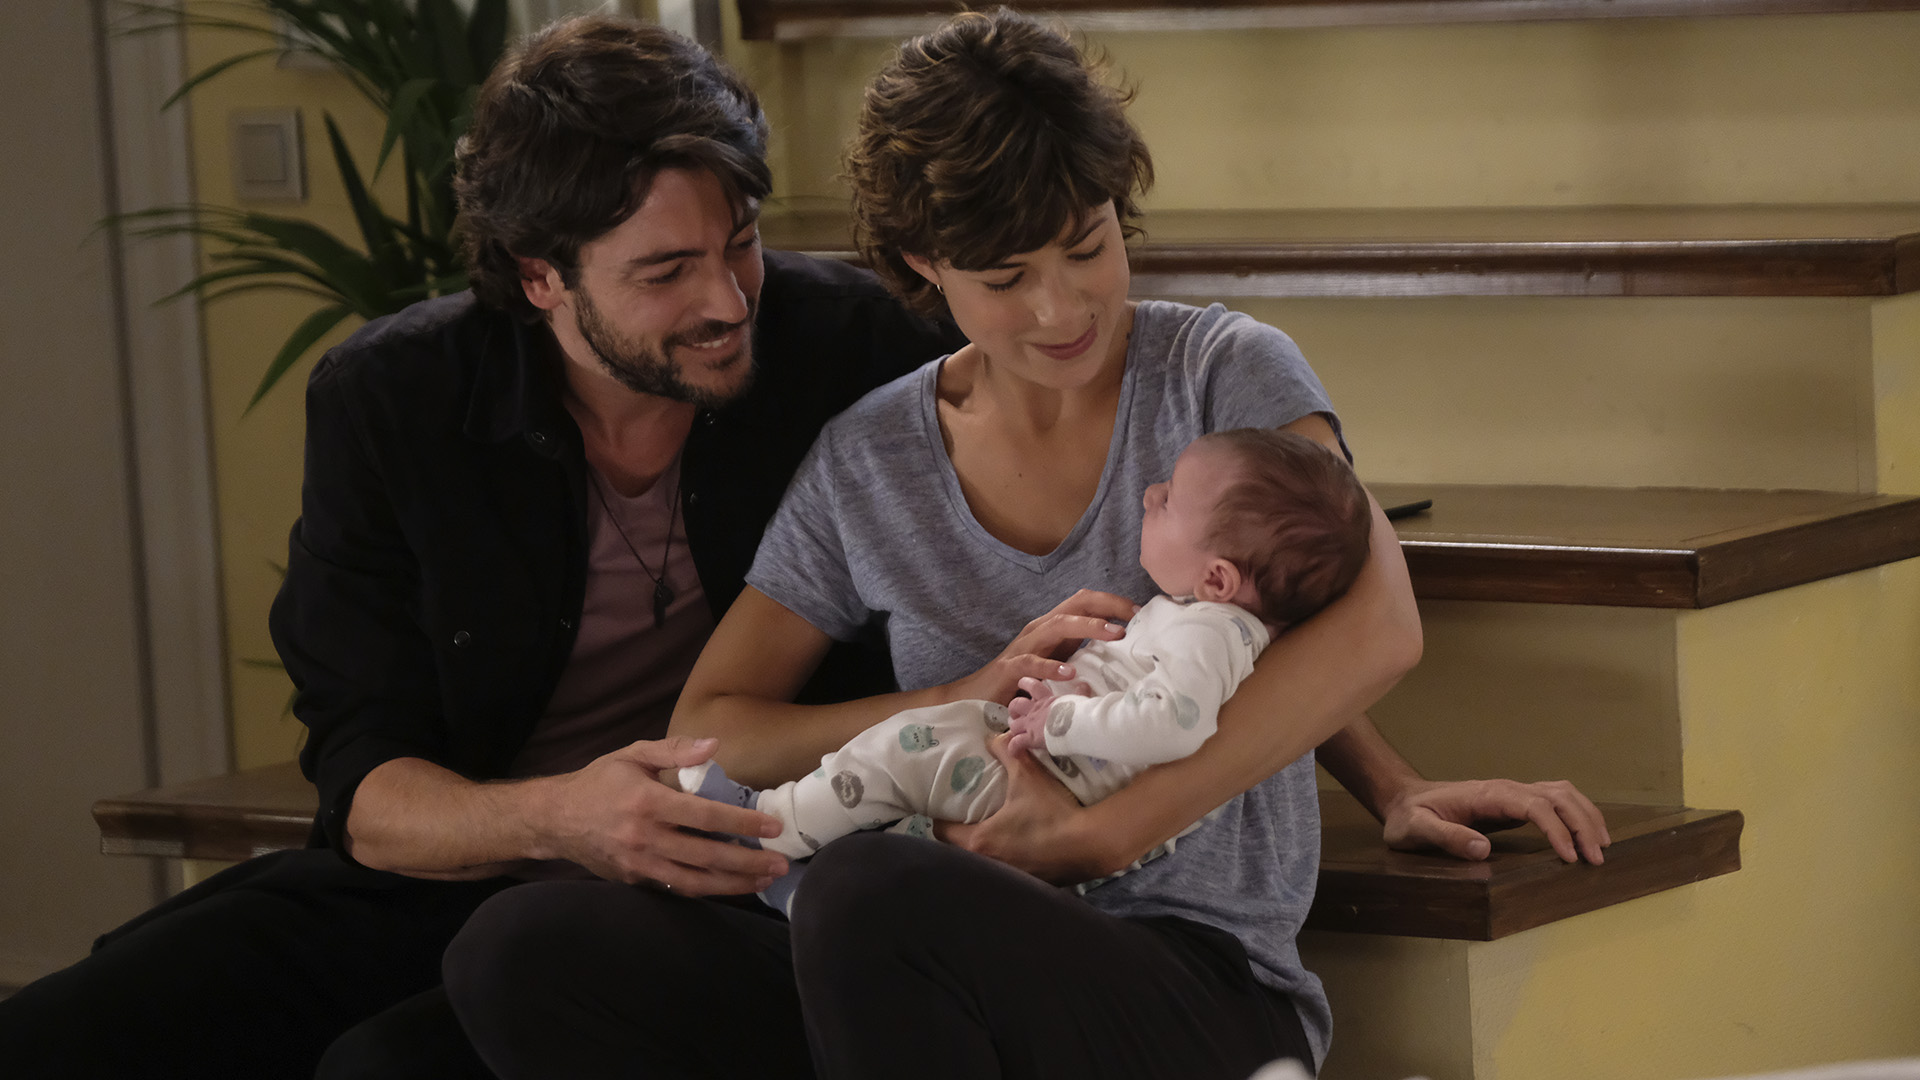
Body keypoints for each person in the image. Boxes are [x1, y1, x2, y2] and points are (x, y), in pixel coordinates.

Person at [0, 13, 1603, 1079]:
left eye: (1089, 249)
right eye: (1003, 277)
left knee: (873, 895)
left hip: (1147, 957)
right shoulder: (865, 437)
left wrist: (1351, 788)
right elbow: (695, 720)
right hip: (764, 901)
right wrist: (955, 695)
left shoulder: (1213, 370)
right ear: (925, 270)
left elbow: (1321, 606)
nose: (1060, 309)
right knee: (516, 955)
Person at [676, 428, 1374, 916]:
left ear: (1218, 578)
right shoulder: (1214, 625)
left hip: (1052, 783)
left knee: (899, 749)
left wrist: (1060, 720)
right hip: (1048, 776)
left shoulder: (1212, 631)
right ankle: (812, 889)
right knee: (911, 802)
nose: (1148, 494)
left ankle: (767, 827)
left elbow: (1176, 724)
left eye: (1168, 501)